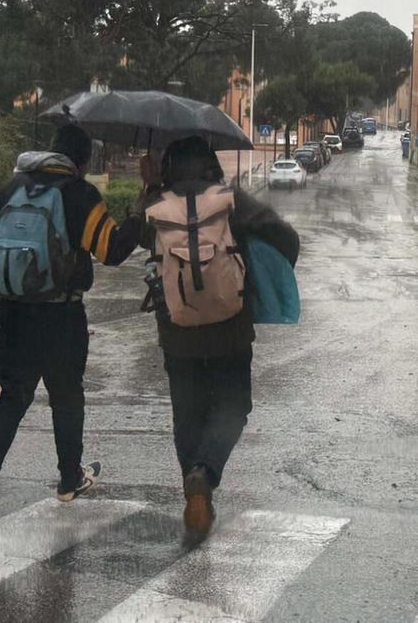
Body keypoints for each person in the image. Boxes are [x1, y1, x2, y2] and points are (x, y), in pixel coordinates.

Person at [0, 124, 143, 528]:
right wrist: (137, 214)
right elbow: (112, 251)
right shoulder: (80, 194)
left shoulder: (9, 189)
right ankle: (68, 479)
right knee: (66, 396)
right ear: (82, 161)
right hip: (62, 314)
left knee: (13, 398)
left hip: (14, 312)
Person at [139, 135, 299, 538]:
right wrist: (257, 270)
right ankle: (204, 473)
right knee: (233, 407)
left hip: (178, 333)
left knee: (187, 414)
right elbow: (286, 238)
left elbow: (128, 242)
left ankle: (195, 492)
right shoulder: (231, 201)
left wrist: (148, 189)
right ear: (211, 162)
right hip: (231, 329)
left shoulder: (156, 205)